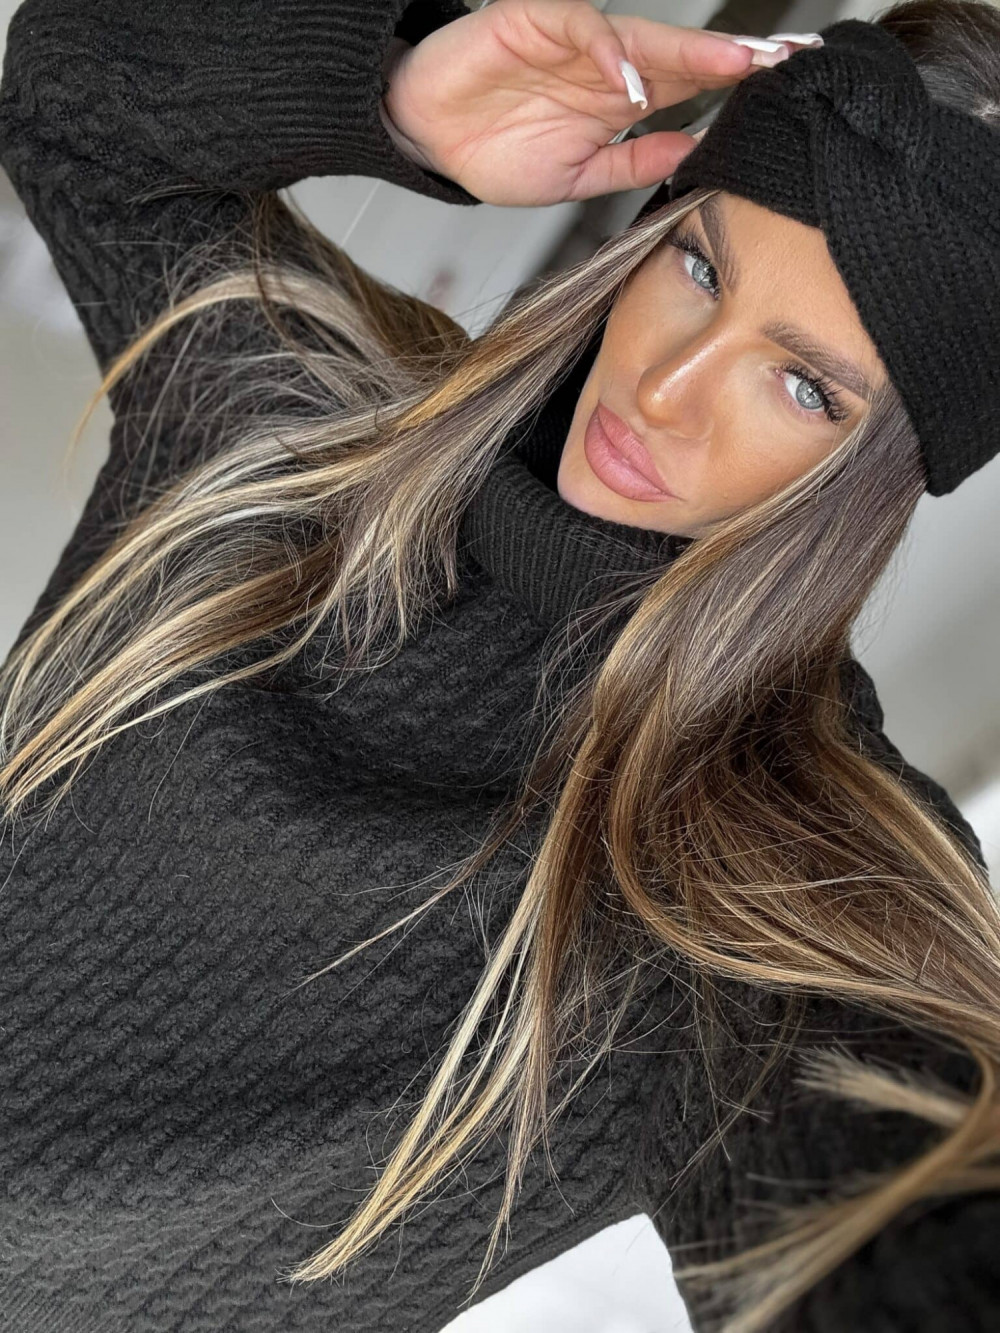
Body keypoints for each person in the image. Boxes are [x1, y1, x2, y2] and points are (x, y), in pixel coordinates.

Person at [0, 1, 997, 1330]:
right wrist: (394, 103)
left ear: (880, 477)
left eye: (804, 386)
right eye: (700, 266)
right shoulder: (294, 415)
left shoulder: (775, 874)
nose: (668, 386)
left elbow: (890, 1206)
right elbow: (66, 92)